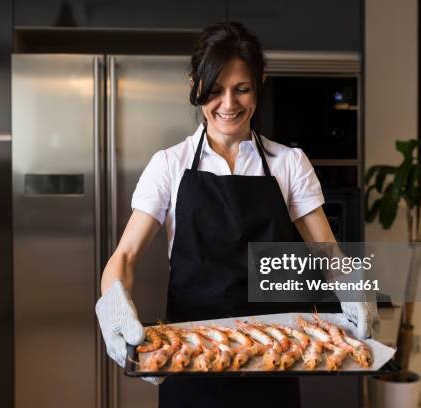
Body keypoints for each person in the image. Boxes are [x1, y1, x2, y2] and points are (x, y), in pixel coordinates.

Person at [95, 21, 379, 408]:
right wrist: (113, 302)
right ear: (196, 85)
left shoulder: (289, 163)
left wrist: (353, 287)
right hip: (189, 356)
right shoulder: (169, 165)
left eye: (242, 89)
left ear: (259, 84)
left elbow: (327, 252)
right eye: (215, 90)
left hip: (274, 356)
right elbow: (124, 257)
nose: (229, 105)